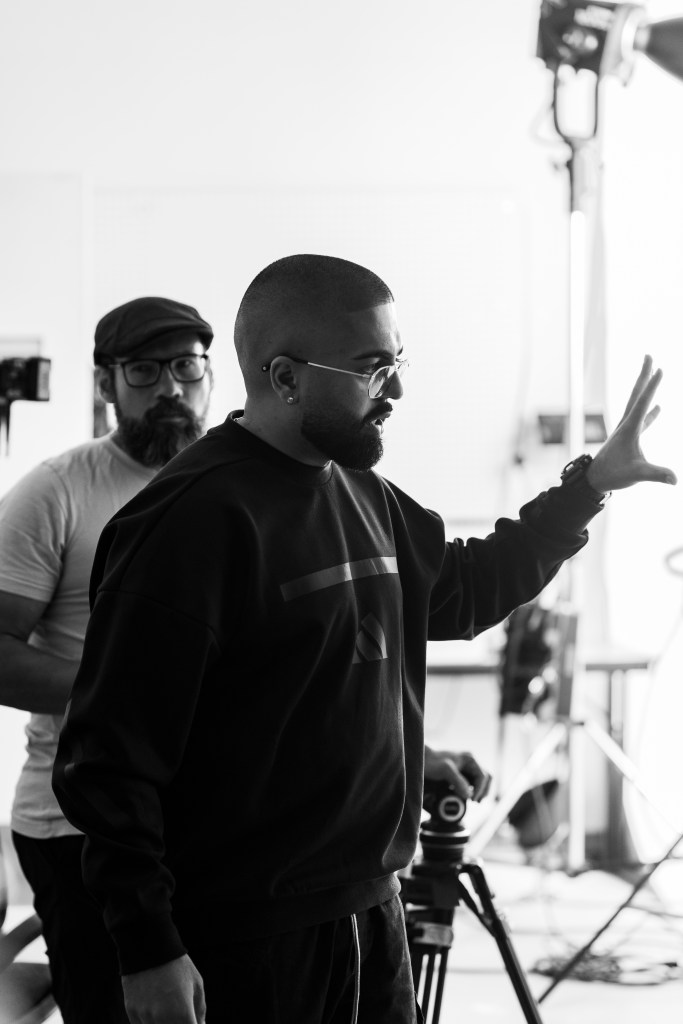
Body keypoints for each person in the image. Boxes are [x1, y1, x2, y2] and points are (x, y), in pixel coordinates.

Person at [52, 255, 675, 1024]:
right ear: (285, 378)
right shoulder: (190, 523)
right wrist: (148, 948)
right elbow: (107, 765)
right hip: (246, 937)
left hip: (372, 910)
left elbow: (464, 589)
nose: (396, 392)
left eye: (397, 364)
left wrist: (587, 486)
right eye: (372, 369)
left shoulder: (362, 491)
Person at [0, 296, 214, 1023]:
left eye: (186, 367)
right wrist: (119, 696)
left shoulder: (238, 487)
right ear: (107, 385)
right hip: (80, 828)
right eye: (144, 371)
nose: (170, 388)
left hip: (209, 825)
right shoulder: (57, 491)